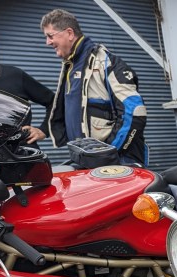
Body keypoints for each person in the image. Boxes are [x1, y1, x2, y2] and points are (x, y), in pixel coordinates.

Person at [41, 9, 148, 166]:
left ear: (69, 33)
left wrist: (109, 151)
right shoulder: (71, 65)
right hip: (88, 160)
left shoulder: (105, 62)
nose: (48, 42)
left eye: (50, 36)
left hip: (115, 163)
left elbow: (135, 111)